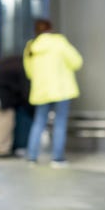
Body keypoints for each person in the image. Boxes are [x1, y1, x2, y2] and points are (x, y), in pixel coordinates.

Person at [23, 19, 83, 167]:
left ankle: (32, 157)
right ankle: (57, 158)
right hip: (61, 89)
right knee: (60, 123)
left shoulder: (31, 47)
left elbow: (29, 73)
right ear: (51, 28)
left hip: (41, 90)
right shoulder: (59, 42)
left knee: (39, 123)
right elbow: (77, 62)